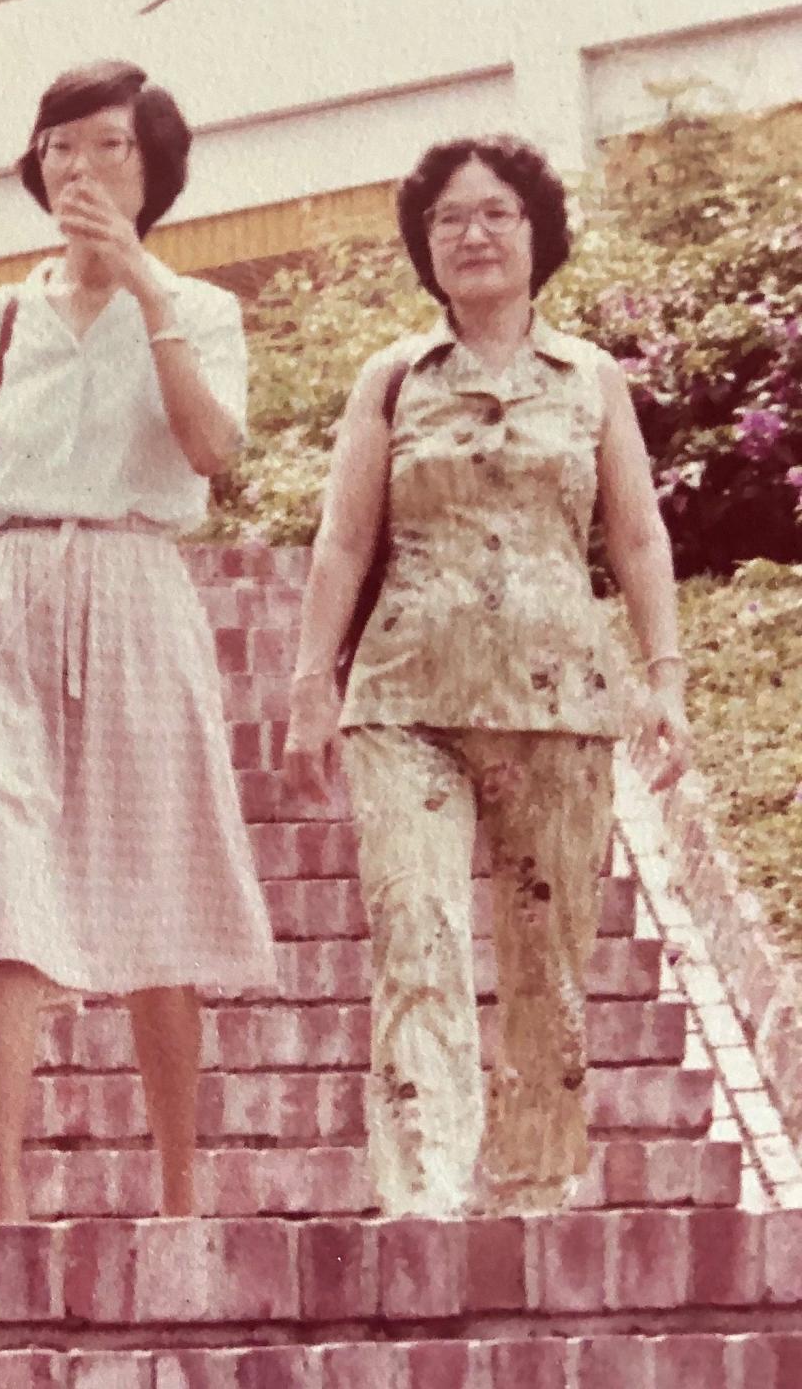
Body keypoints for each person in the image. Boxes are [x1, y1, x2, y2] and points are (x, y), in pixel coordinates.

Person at [283, 135, 692, 1219]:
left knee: (547, 962)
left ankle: (531, 1191)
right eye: (449, 217)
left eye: (496, 212)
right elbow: (341, 541)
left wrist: (665, 677)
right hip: (407, 698)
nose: (471, 232)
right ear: (427, 245)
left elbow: (640, 541)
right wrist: (308, 684)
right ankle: (424, 1189)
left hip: (558, 703)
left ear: (536, 234)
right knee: (414, 930)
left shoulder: (592, 378)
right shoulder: (393, 379)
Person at [0, 59, 276, 1222]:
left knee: (160, 882)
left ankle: (180, 1187)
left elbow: (211, 451)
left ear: (154, 167)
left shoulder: (205, 308)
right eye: (60, 144)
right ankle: (7, 1196)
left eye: (108, 145)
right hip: (8, 594)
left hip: (135, 587)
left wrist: (140, 282)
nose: (78, 166)